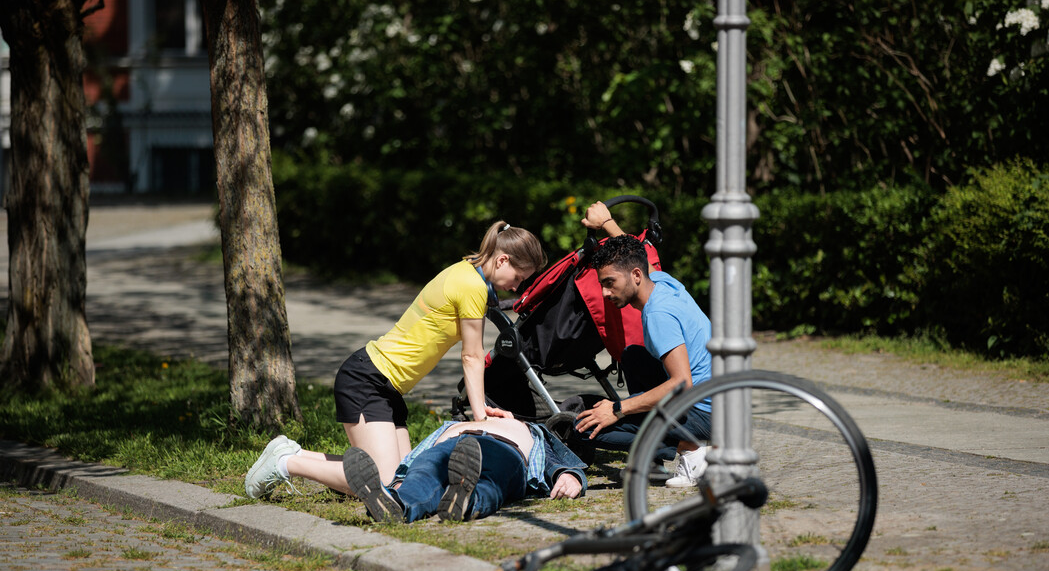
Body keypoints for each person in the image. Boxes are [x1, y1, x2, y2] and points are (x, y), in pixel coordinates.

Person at [244, 221, 547, 499]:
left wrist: (481, 411)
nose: (517, 285)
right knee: (385, 483)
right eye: (519, 277)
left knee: (405, 479)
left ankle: (290, 452)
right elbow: (471, 355)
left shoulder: (466, 271)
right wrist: (480, 416)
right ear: (502, 259)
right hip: (367, 379)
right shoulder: (472, 286)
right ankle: (287, 463)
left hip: (386, 387)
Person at [570, 202, 713, 488]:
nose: (604, 292)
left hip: (706, 411)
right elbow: (633, 254)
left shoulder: (658, 314)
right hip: (718, 398)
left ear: (636, 276)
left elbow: (681, 383)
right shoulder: (660, 281)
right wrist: (608, 222)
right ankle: (660, 457)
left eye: (610, 283)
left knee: (586, 429)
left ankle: (693, 453)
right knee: (633, 356)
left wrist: (618, 409)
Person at [343, 417, 587, 523]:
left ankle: (467, 501)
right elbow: (418, 455)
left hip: (504, 450)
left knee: (492, 482)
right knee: (424, 474)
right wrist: (401, 480)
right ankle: (398, 504)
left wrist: (570, 475)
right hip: (451, 445)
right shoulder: (458, 423)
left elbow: (555, 458)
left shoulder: (528, 428)